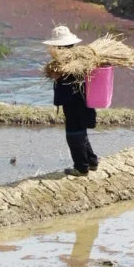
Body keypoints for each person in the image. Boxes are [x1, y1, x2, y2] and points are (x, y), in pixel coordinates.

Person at [45, 24, 98, 177]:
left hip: (74, 100)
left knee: (74, 133)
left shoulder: (66, 63)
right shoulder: (81, 58)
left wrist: (57, 75)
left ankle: (81, 168)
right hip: (83, 99)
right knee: (81, 130)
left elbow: (67, 80)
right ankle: (91, 161)